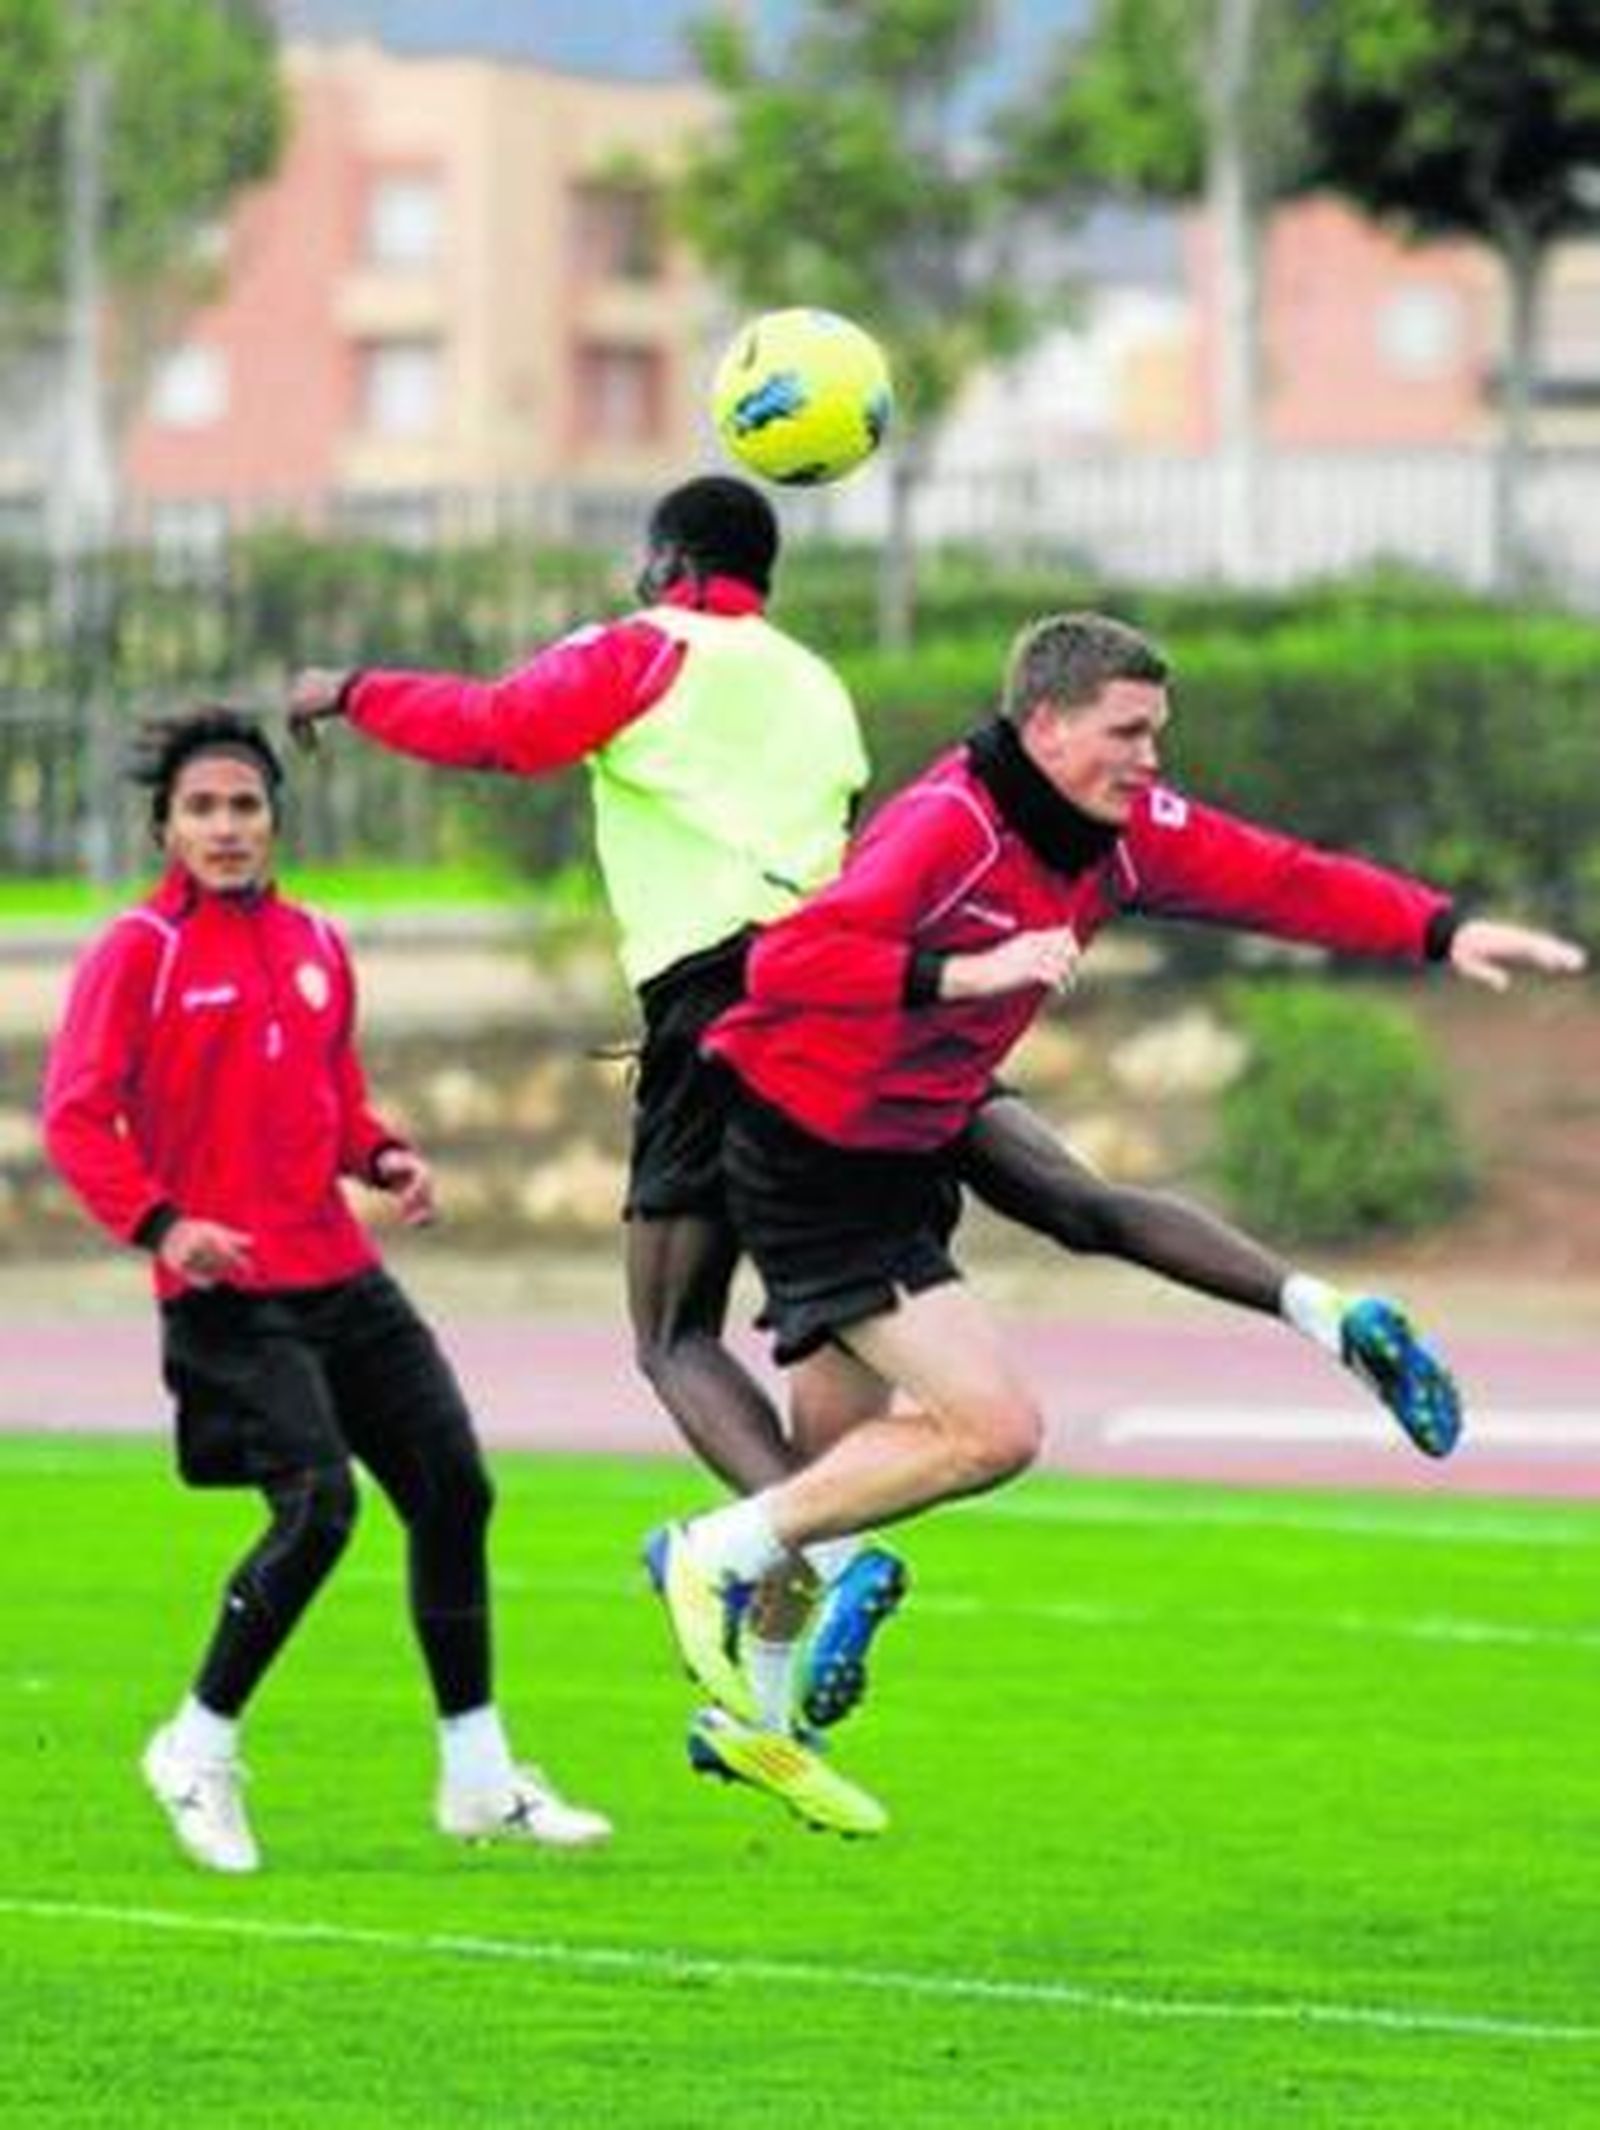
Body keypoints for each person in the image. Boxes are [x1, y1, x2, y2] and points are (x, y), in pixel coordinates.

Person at [289, 492, 1466, 1831]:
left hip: (733, 1014)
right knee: (1038, 1224)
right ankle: (762, 1708)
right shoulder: (813, 685)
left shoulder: (646, 646)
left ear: (668, 564)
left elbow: (499, 730)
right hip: (880, 1008)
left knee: (672, 1334)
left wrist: (350, 687)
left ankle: (811, 1547)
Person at [649, 610, 1588, 1727]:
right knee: (994, 1431)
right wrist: (968, 975)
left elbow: (1278, 878)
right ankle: (706, 1550)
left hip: (908, 1138)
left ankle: (756, 1716)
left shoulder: (1128, 831)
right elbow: (791, 957)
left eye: (1157, 734)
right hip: (816, 1147)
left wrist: (1439, 930)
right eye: (1127, 732)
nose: (1150, 760)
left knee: (834, 1463)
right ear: (1044, 725)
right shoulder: (948, 824)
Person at [41, 709, 611, 1874]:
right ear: (167, 827)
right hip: (227, 1293)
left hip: (343, 1276)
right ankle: (194, 1747)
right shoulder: (136, 952)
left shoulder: (313, 943)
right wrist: (160, 1224)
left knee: (453, 1491)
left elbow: (329, 1101)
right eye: (202, 808)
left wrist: (384, 1156)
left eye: (245, 805)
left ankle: (477, 1775)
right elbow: (73, 1114)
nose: (226, 826)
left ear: (273, 820)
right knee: (319, 1507)